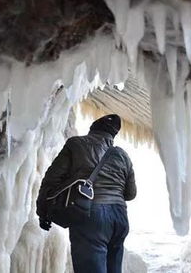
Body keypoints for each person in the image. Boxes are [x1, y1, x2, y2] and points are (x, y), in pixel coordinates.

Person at [36, 114, 136, 273]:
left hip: (91, 216)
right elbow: (130, 194)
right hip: (119, 218)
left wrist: (43, 213)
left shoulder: (76, 144)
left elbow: (51, 179)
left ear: (92, 130)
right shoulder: (123, 156)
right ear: (112, 135)